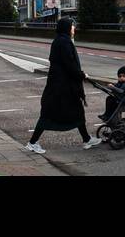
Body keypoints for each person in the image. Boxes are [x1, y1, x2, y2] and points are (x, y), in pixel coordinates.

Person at [26, 17, 98, 154]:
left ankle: (87, 139)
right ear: (66, 28)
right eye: (72, 26)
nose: (73, 28)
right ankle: (32, 142)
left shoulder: (60, 40)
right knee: (48, 114)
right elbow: (69, 64)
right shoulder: (64, 42)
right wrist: (81, 75)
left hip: (62, 85)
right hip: (61, 87)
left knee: (76, 111)